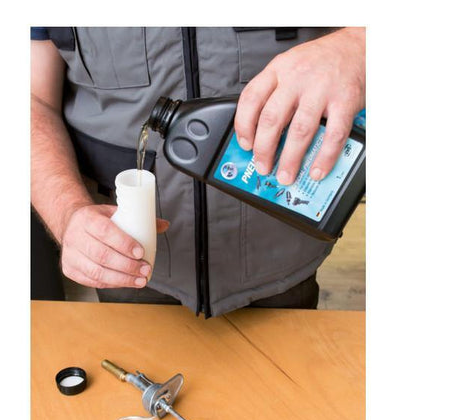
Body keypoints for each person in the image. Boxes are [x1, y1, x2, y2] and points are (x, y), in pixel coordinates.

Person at [31, 27, 366, 317]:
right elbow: (32, 101)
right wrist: (67, 213)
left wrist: (358, 44)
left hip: (283, 258)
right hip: (125, 262)